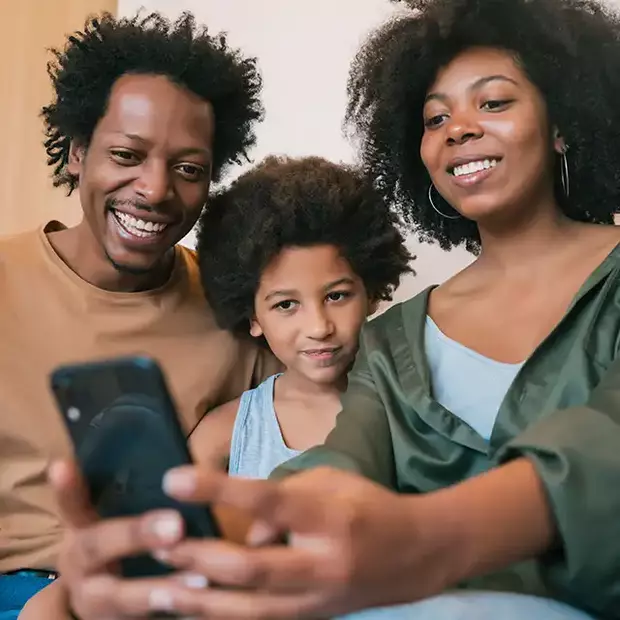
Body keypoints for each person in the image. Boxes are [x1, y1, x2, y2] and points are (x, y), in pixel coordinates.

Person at [33, 0, 620, 618]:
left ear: (564, 122)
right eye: (434, 117)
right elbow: (337, 470)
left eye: (493, 103)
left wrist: (427, 537)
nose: (459, 128)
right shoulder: (396, 338)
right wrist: (166, 549)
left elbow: (602, 443)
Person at [18, 155, 412, 617]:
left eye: (337, 296)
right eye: (286, 305)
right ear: (252, 318)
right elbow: (152, 542)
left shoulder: (405, 408)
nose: (319, 326)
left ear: (372, 291)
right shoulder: (228, 431)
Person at [0, 10, 280, 619]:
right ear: (78, 153)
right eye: (127, 154)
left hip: (162, 596)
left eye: (188, 169)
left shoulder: (237, 305)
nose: (155, 190)